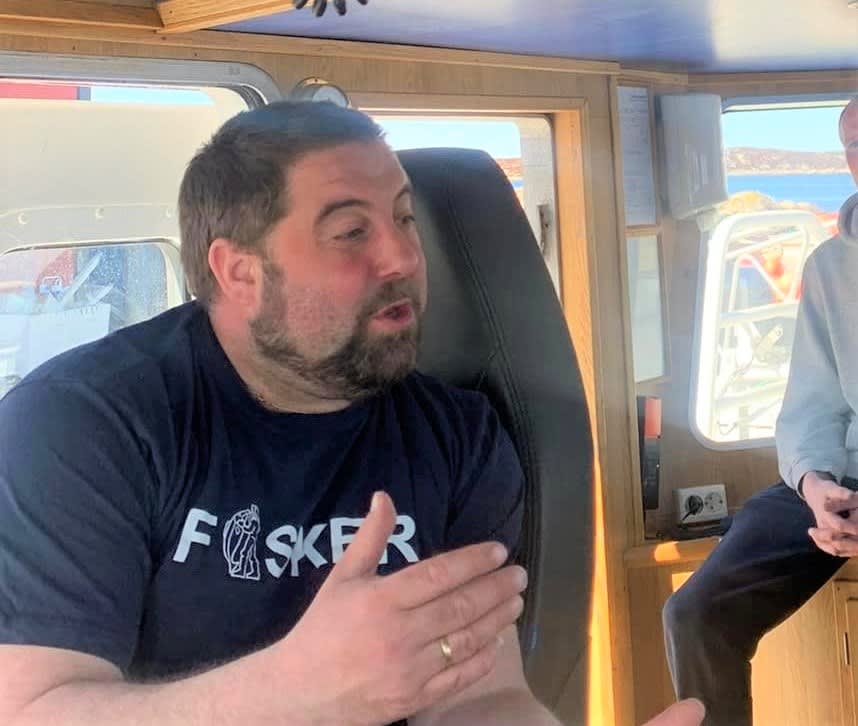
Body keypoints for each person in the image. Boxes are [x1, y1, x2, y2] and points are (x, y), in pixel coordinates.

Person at [0, 99, 701, 726]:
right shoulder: (85, 425)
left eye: (404, 218)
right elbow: (31, 709)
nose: (402, 257)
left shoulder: (458, 437)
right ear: (240, 272)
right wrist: (291, 691)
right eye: (350, 232)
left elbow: (477, 699)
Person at [663, 95, 858, 726]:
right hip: (843, 478)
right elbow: (813, 403)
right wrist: (814, 482)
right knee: (696, 614)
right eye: (855, 146)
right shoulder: (831, 266)